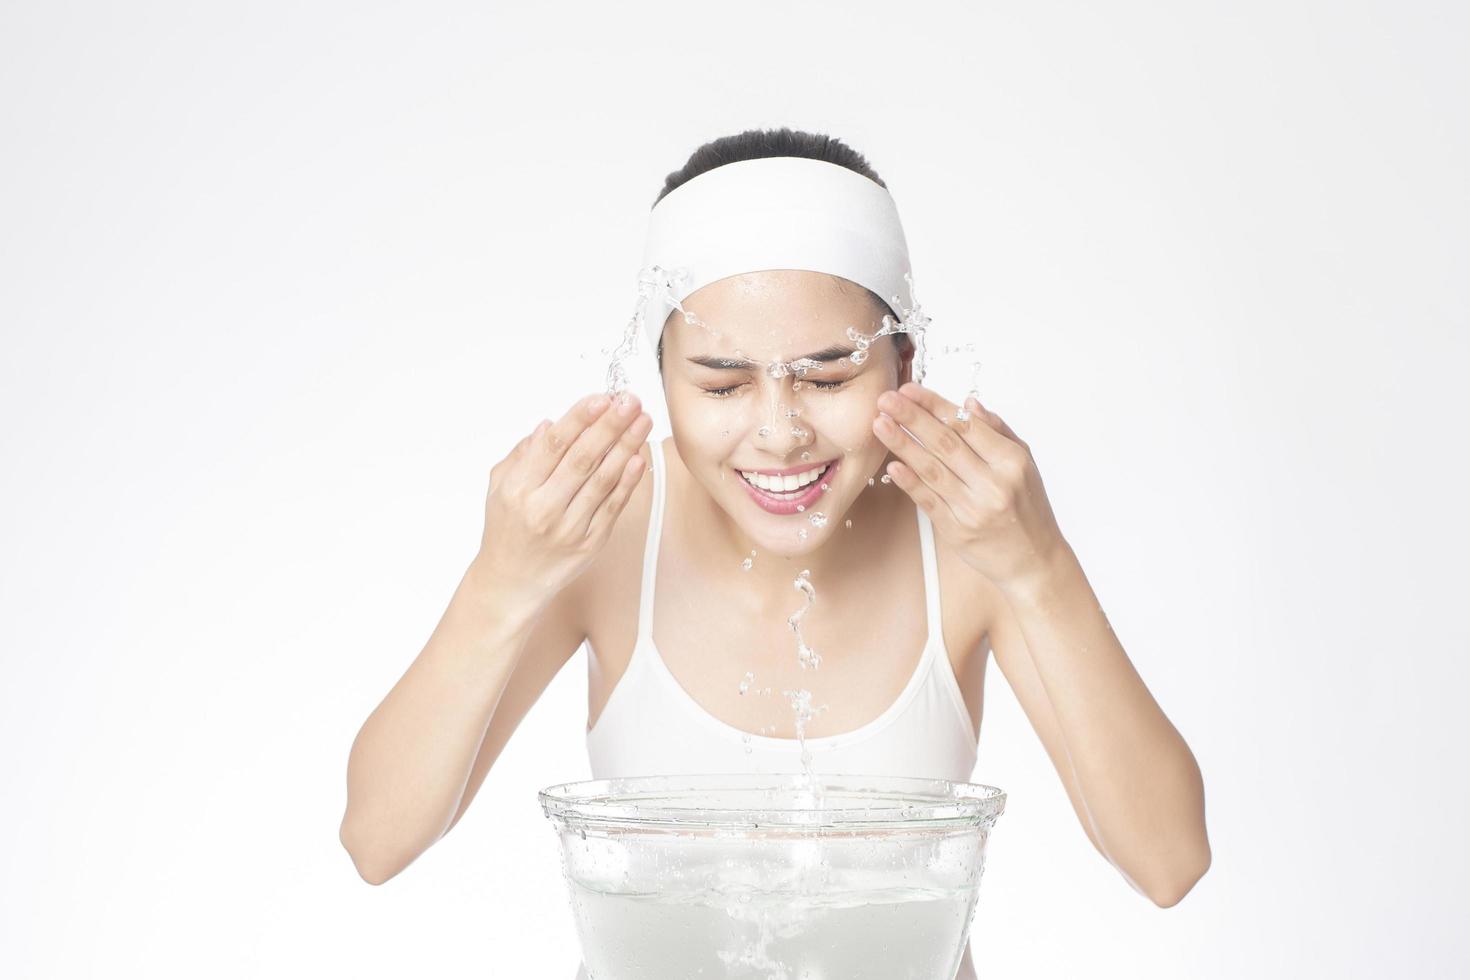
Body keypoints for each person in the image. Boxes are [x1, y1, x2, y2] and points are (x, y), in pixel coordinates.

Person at [339, 128, 1212, 979]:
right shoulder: (610, 524)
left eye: (829, 378)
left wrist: (1041, 568)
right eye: (721, 382)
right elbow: (377, 840)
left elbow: (1168, 862)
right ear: (665, 378)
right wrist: (501, 582)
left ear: (905, 364)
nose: (780, 433)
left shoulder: (967, 534)